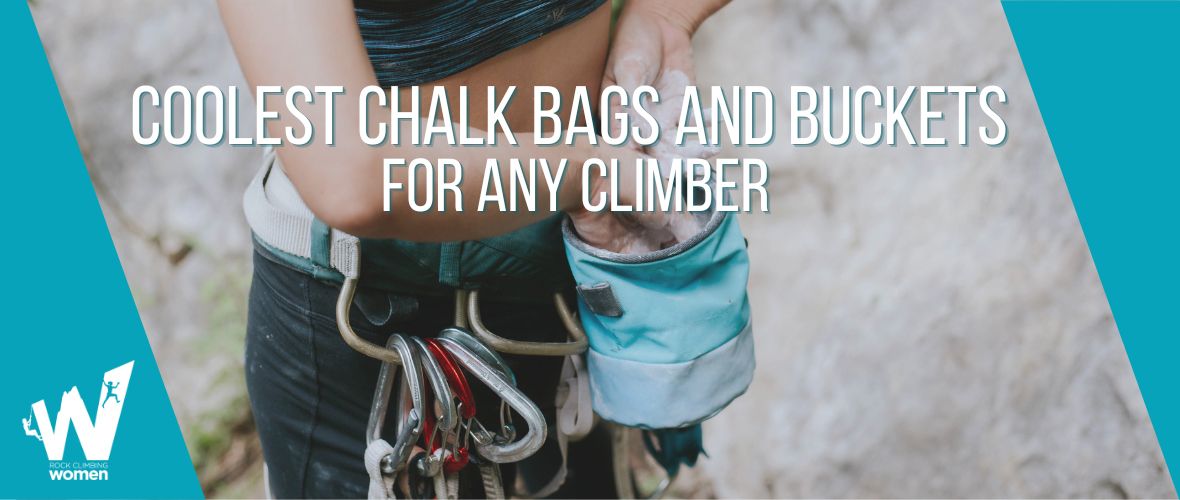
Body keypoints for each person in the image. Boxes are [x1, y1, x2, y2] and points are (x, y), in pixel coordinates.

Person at [217, 0, 730, 497]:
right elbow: (351, 176)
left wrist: (665, 14)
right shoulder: (592, 175)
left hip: (576, 264)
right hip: (373, 317)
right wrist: (593, 171)